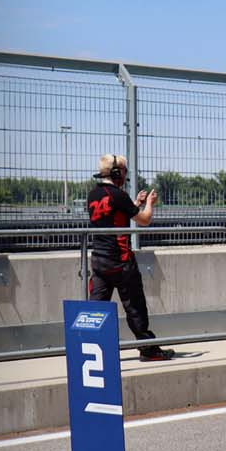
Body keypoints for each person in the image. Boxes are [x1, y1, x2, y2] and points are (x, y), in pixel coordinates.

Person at [87, 153, 173, 361]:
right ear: (117, 173)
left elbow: (115, 214)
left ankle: (90, 350)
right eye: (124, 171)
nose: (125, 175)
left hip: (99, 260)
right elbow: (144, 220)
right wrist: (149, 203)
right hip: (121, 261)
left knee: (96, 309)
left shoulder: (93, 194)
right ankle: (148, 349)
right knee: (135, 308)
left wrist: (135, 203)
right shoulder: (118, 195)